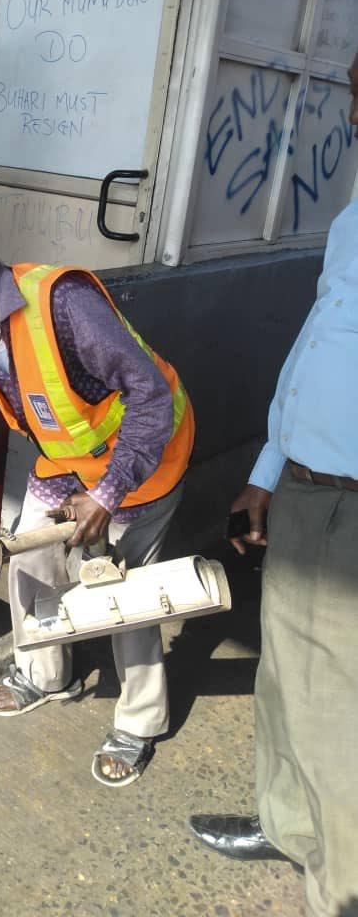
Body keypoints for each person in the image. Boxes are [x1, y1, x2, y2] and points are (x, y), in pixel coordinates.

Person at [0, 207, 195, 786]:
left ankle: (140, 721)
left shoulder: (61, 304)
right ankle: (47, 674)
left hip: (146, 452)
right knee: (28, 556)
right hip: (69, 459)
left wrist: (108, 491)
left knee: (125, 590)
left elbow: (148, 394)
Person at [189, 55, 358, 917]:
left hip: (353, 503)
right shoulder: (352, 221)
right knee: (287, 672)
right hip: (306, 485)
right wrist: (265, 471)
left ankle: (340, 889)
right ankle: (290, 826)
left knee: (338, 708)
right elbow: (314, 346)